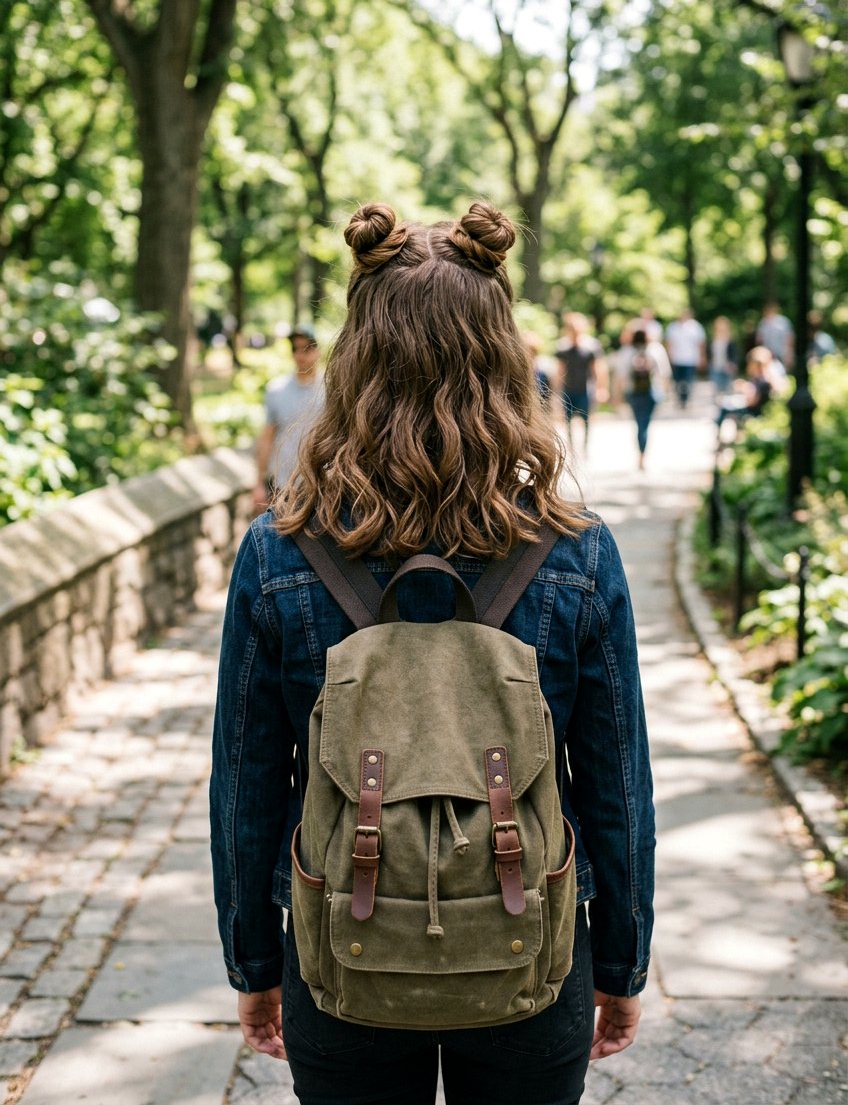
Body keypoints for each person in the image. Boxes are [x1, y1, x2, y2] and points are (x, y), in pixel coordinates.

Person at [211, 202, 655, 1105]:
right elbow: (617, 782)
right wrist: (623, 960)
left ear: (355, 357)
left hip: (342, 947)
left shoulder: (280, 552)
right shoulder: (574, 552)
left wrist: (254, 963)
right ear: (502, 357)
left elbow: (247, 783)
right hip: (532, 945)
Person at [252, 324, 325, 512]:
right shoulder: (276, 390)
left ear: (317, 351)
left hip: (322, 487)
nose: (300, 355)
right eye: (295, 349)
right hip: (284, 486)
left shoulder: (331, 390)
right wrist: (259, 483)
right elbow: (268, 437)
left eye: (306, 348)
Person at [615, 327, 671, 470]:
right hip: (652, 392)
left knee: (639, 423)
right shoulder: (656, 349)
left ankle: (640, 455)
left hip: (633, 392)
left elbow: (621, 375)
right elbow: (664, 373)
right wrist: (665, 393)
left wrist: (618, 396)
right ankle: (642, 454)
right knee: (645, 423)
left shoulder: (627, 351)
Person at [554, 312, 609, 452]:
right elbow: (559, 370)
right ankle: (571, 447)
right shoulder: (562, 346)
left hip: (586, 388)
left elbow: (598, 369)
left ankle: (585, 447)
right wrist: (556, 392)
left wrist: (601, 389)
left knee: (586, 419)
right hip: (569, 388)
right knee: (568, 420)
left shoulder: (591, 346)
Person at [716, 346, 780, 438]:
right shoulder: (764, 378)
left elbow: (752, 402)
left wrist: (745, 389)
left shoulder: (763, 381)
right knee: (726, 405)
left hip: (755, 412)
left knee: (725, 409)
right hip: (755, 409)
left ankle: (721, 439)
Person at [664, 308, 706, 408]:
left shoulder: (696, 327)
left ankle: (685, 399)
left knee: (688, 381)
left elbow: (701, 343)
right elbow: (669, 343)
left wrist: (702, 357)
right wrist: (669, 356)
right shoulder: (673, 327)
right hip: (677, 359)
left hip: (690, 359)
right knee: (678, 381)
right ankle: (679, 398)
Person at [756, 302, 794, 369]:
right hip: (768, 354)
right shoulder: (763, 323)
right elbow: (760, 340)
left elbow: (789, 338)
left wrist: (789, 353)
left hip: (782, 353)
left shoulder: (783, 321)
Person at [708, 316, 738, 396]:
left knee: (728, 387)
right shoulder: (713, 339)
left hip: (727, 366)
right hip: (715, 366)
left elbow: (734, 353)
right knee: (716, 387)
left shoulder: (730, 340)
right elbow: (710, 352)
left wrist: (733, 364)